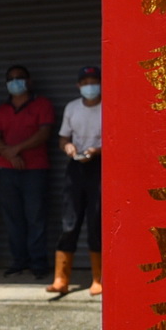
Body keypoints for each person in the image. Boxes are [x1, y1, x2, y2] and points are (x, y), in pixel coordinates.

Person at [0, 64, 54, 280]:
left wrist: (16, 149)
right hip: (7, 171)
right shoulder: (1, 110)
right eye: (11, 78)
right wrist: (9, 154)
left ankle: (38, 263)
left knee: (35, 217)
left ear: (29, 81)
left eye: (19, 77)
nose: (15, 81)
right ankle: (19, 261)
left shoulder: (42, 104)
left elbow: (44, 133)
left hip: (35, 170)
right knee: (13, 219)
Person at [49, 65, 103, 297]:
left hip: (100, 165)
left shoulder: (108, 106)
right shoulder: (72, 108)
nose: (90, 86)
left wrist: (97, 151)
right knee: (69, 222)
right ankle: (61, 278)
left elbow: (117, 138)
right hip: (76, 166)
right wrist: (68, 147)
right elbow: (62, 138)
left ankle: (98, 278)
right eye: (85, 82)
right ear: (78, 85)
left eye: (94, 81)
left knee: (96, 221)